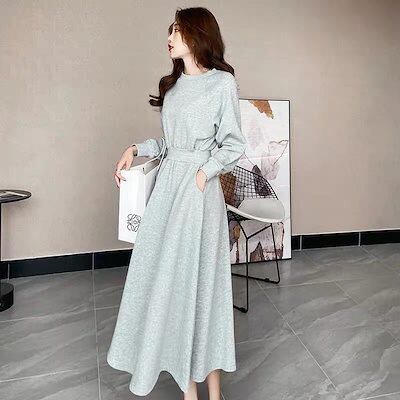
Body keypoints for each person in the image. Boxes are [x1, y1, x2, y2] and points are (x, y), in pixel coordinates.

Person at [107, 6, 247, 400]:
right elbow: (169, 144)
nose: (169, 37)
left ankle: (213, 392)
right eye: (170, 31)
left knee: (202, 288)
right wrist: (135, 148)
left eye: (177, 30)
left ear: (198, 34)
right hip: (168, 192)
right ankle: (190, 391)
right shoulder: (171, 86)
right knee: (170, 286)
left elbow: (233, 143)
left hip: (198, 194)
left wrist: (204, 173)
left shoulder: (222, 84)